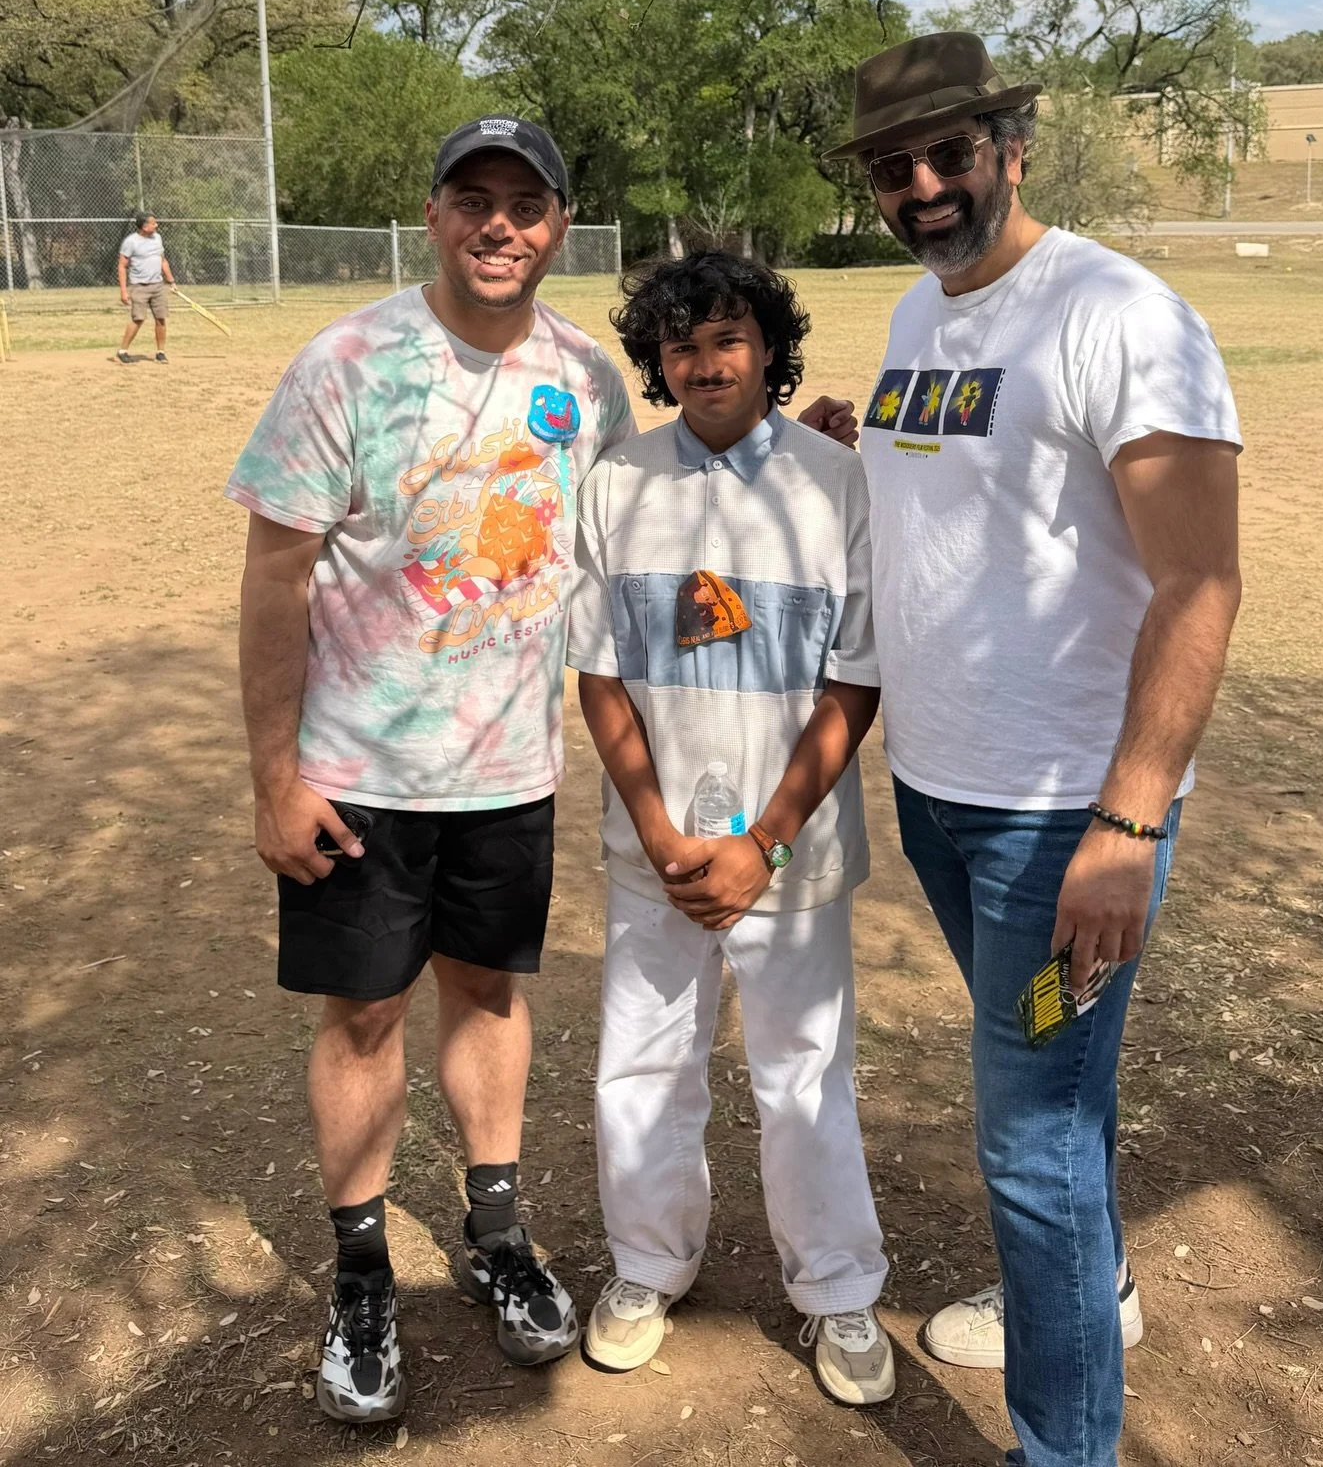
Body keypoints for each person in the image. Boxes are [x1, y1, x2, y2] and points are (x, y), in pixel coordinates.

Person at [826, 33, 1243, 1467]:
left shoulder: (1119, 316)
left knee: (1031, 1137)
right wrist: (849, 439)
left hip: (1062, 824)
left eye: (949, 153)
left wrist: (1129, 821)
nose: (923, 186)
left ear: (1013, 146)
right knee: (1061, 1094)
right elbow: (953, 486)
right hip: (941, 797)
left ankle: (1065, 1449)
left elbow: (1200, 579)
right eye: (894, 167)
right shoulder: (916, 313)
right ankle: (1096, 1281)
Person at [224, 117, 635, 1424]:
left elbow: (642, 524)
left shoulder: (588, 376)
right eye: (474, 198)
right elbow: (276, 574)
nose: (499, 223)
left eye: (526, 202)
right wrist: (274, 777)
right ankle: (361, 1273)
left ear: (559, 224)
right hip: (359, 778)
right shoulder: (348, 362)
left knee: (490, 995)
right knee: (361, 1018)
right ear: (434, 213)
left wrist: (810, 439)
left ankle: (496, 1233)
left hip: (510, 771)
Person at [566, 251, 895, 1409]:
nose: (705, 364)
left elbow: (854, 681)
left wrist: (768, 840)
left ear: (770, 350)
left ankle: (838, 1285)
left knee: (805, 1070)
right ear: (657, 360)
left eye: (729, 339)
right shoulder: (617, 481)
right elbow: (600, 675)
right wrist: (658, 828)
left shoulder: (835, 481)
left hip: (788, 857)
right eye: (682, 344)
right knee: (643, 1065)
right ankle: (649, 1263)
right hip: (654, 856)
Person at [116, 212, 177, 363]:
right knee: (138, 319)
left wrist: (171, 281)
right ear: (144, 226)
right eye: (153, 223)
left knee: (161, 319)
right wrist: (123, 291)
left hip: (158, 285)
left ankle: (160, 353)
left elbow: (163, 261)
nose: (156, 225)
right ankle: (122, 351)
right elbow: (122, 266)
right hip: (139, 286)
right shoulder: (131, 242)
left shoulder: (157, 238)